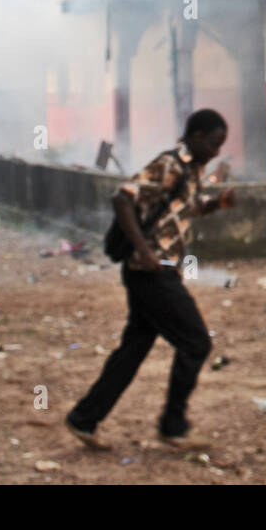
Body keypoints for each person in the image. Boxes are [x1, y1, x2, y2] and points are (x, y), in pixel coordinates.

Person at [65, 109, 235, 451]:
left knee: (133, 349)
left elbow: (182, 209)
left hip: (157, 271)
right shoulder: (170, 164)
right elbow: (123, 198)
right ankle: (173, 425)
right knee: (196, 342)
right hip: (152, 272)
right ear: (198, 137)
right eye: (215, 144)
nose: (218, 152)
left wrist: (217, 203)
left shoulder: (191, 170)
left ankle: (84, 419)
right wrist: (143, 251)